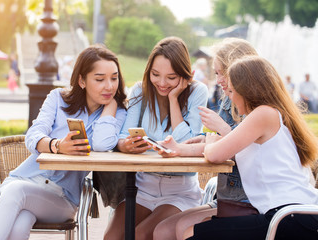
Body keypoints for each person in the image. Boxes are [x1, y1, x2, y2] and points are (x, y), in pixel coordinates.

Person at [0, 45, 127, 240]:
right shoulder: (58, 99)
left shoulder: (117, 114)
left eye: (114, 78)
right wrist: (57, 146)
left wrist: (111, 106)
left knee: (17, 194)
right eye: (100, 79)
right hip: (23, 180)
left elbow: (102, 144)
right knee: (20, 223)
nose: (109, 86)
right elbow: (33, 135)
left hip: (62, 198)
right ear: (82, 81)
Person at [187, 56, 318, 239]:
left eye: (232, 91)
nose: (230, 97)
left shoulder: (263, 114)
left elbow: (214, 154)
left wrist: (209, 142)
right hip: (292, 216)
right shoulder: (271, 115)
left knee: (195, 234)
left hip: (289, 217)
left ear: (247, 90)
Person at [103, 36, 209, 240]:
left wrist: (173, 99)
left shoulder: (197, 91)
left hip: (179, 192)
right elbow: (123, 137)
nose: (161, 83)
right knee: (112, 237)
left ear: (186, 76)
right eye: (155, 74)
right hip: (141, 187)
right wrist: (127, 146)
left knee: (141, 235)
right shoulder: (140, 91)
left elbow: (189, 143)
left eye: (171, 77)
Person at [153, 38, 258, 240]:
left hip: (248, 201)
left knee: (184, 227)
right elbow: (215, 140)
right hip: (226, 197)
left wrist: (219, 130)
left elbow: (242, 150)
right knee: (162, 231)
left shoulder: (258, 110)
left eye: (222, 73)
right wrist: (180, 147)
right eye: (216, 73)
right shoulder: (228, 101)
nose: (218, 80)